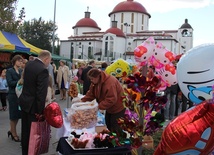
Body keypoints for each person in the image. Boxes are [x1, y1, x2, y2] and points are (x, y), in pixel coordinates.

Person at [19, 50, 51, 155]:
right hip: (33, 107)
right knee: (34, 134)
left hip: (25, 103)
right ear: (46, 59)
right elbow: (41, 93)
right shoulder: (43, 70)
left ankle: (25, 152)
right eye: (49, 61)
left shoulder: (29, 64)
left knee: (25, 132)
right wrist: (40, 111)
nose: (49, 63)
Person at [6, 55, 23, 142]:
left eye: (21, 61)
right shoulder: (9, 71)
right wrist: (20, 82)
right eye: (19, 61)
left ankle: (11, 130)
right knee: (13, 116)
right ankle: (14, 134)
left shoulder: (20, 70)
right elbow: (10, 83)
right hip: (12, 95)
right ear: (14, 61)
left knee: (17, 115)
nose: (20, 62)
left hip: (19, 95)